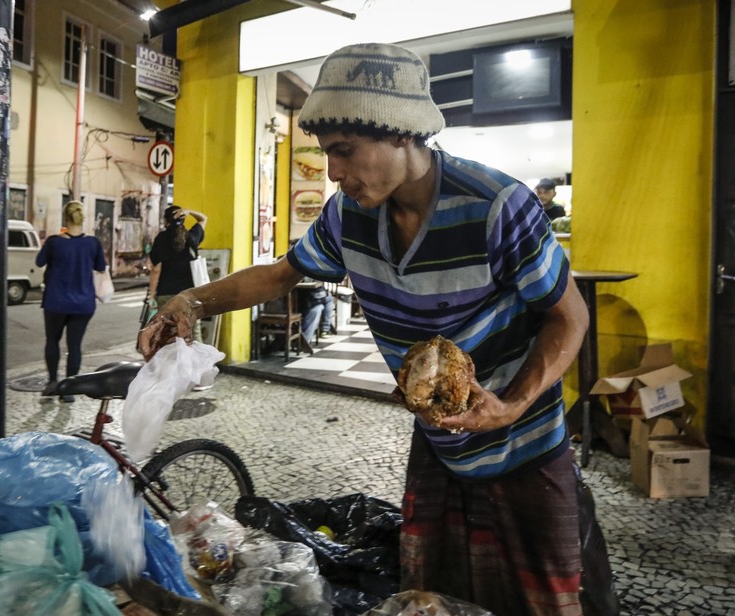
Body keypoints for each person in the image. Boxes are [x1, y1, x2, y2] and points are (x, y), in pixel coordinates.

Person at [138, 42, 615, 614]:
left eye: (344, 151)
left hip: (525, 451)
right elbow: (280, 276)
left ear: (402, 133)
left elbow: (571, 315)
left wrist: (511, 404)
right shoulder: (348, 215)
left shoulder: (496, 206)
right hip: (439, 449)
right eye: (327, 154)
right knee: (434, 600)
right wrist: (190, 301)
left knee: (541, 601)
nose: (334, 172)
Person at [36, 200, 107, 403]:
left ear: (65, 218)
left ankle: (52, 382)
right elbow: (101, 267)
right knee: (74, 346)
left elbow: (39, 262)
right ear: (82, 219)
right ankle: (68, 389)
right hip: (83, 303)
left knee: (52, 341)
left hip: (55, 302)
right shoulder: (93, 243)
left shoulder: (54, 242)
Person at [148, 205, 208, 344]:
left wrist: (151, 296)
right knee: (192, 332)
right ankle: (197, 364)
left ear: (165, 221)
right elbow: (203, 218)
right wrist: (189, 211)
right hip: (189, 294)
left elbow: (156, 269)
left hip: (166, 293)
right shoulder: (192, 237)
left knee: (168, 333)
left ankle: (173, 364)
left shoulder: (161, 238)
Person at [300, 280, 335, 345]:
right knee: (328, 300)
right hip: (308, 296)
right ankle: (325, 329)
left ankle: (325, 328)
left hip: (308, 295)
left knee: (321, 305)